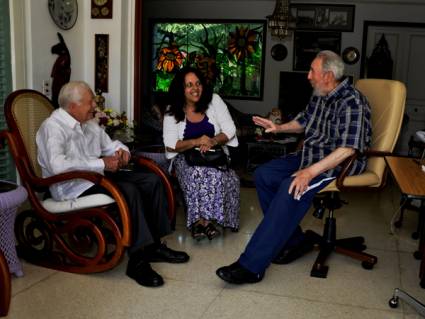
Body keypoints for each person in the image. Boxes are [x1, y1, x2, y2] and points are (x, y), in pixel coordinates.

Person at [216, 50, 372, 284]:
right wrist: (278, 128)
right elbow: (303, 121)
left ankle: (251, 266)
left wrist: (309, 172)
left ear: (328, 75)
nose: (308, 76)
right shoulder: (321, 93)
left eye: (312, 71)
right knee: (264, 175)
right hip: (311, 154)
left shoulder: (352, 102)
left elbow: (348, 149)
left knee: (291, 186)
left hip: (339, 163)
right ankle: (293, 240)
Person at [36, 81, 189, 288]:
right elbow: (57, 166)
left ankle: (153, 245)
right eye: (90, 102)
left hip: (96, 177)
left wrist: (122, 151)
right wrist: (101, 163)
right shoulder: (52, 127)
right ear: (73, 106)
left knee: (152, 179)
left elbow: (109, 145)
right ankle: (137, 261)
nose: (95, 106)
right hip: (71, 187)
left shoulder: (88, 122)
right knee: (130, 190)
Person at [163, 67, 240, 241]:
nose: (195, 88)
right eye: (189, 85)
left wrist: (212, 141)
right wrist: (196, 141)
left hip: (214, 153)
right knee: (195, 173)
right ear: (181, 90)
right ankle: (200, 222)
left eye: (198, 83)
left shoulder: (214, 100)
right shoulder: (172, 109)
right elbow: (170, 145)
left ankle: (207, 221)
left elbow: (230, 130)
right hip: (185, 157)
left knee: (215, 173)